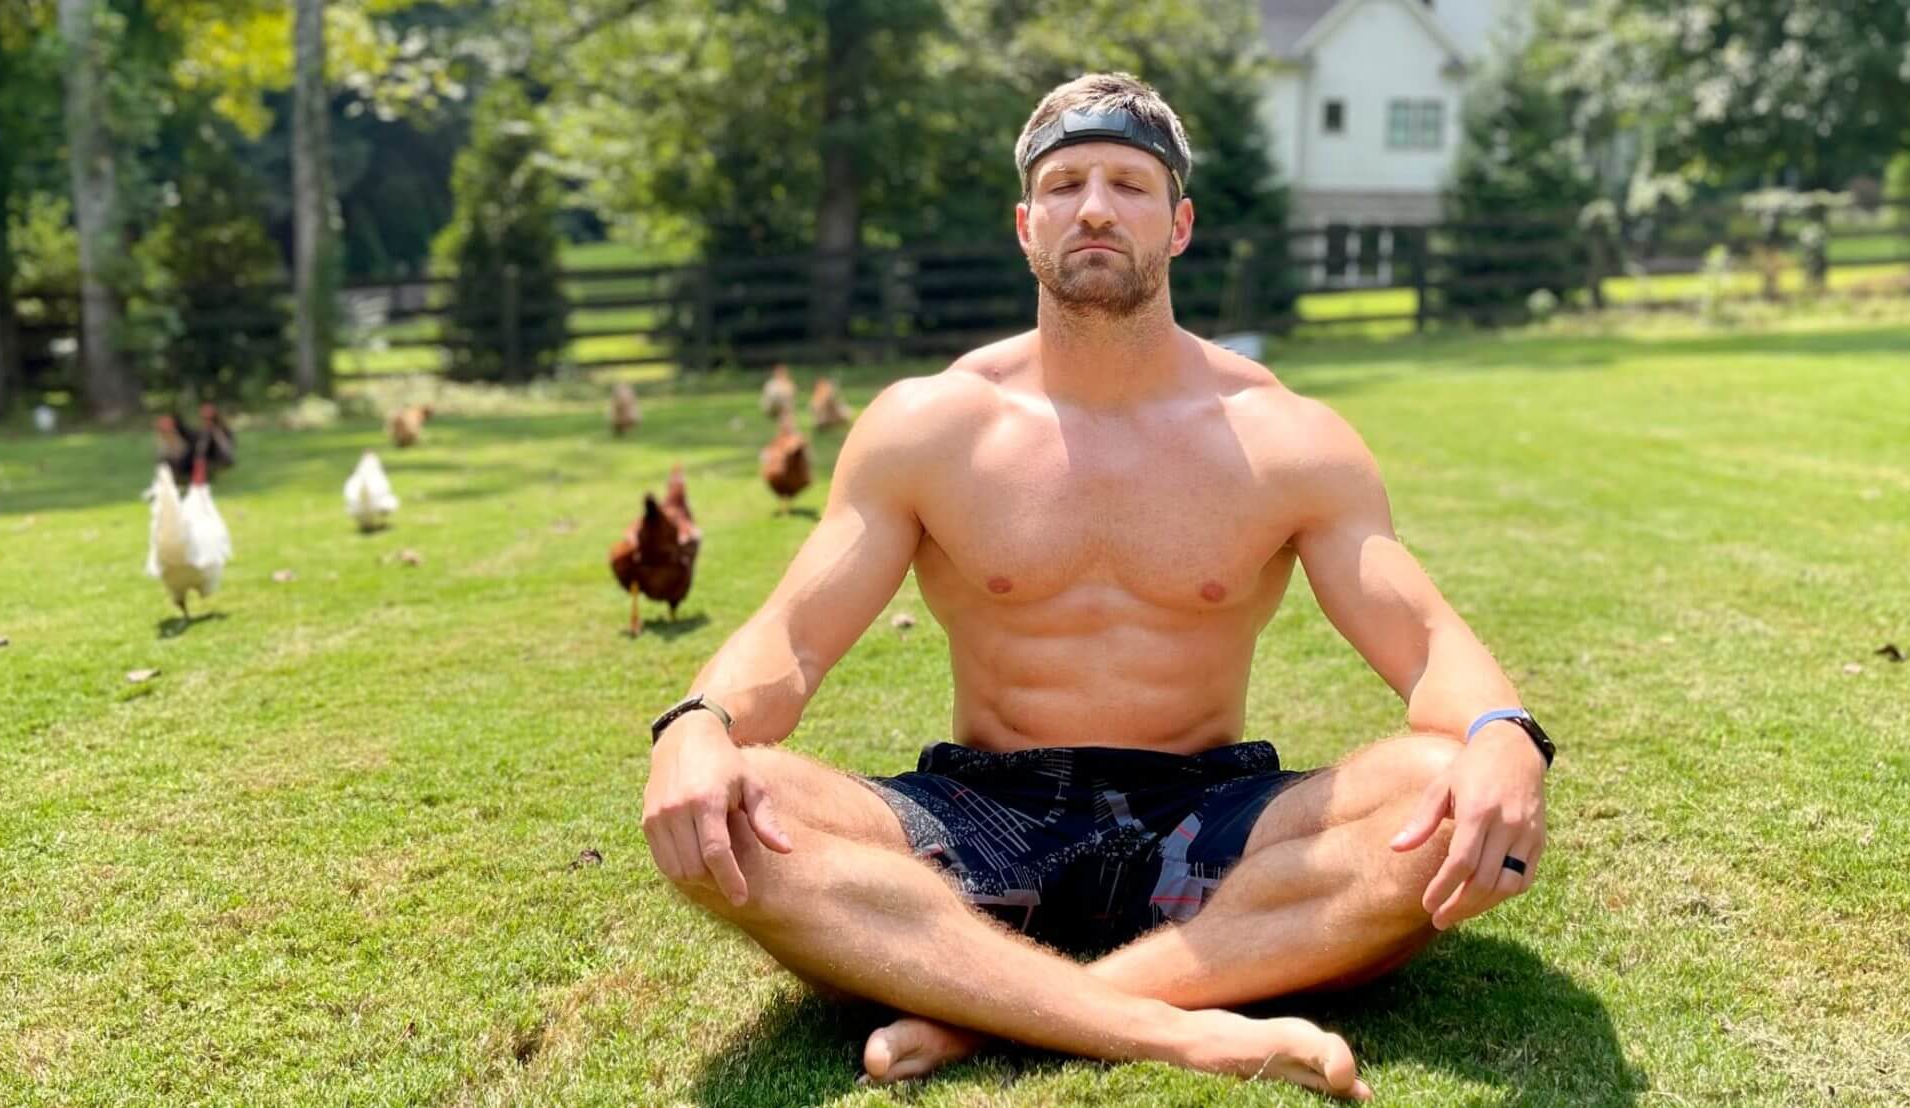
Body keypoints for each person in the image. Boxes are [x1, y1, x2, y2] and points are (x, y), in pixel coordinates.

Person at [640, 72, 1555, 1099]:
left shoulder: (1286, 435)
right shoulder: (929, 425)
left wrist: (1505, 736)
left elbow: (1427, 644)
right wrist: (697, 722)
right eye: (1067, 182)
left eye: (1128, 182)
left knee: (1439, 792)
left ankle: (980, 1013)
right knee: (738, 806)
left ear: (1180, 223)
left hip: (1208, 820)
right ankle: (1179, 1028)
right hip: (978, 821)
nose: (1094, 206)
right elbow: (793, 638)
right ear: (1026, 224)